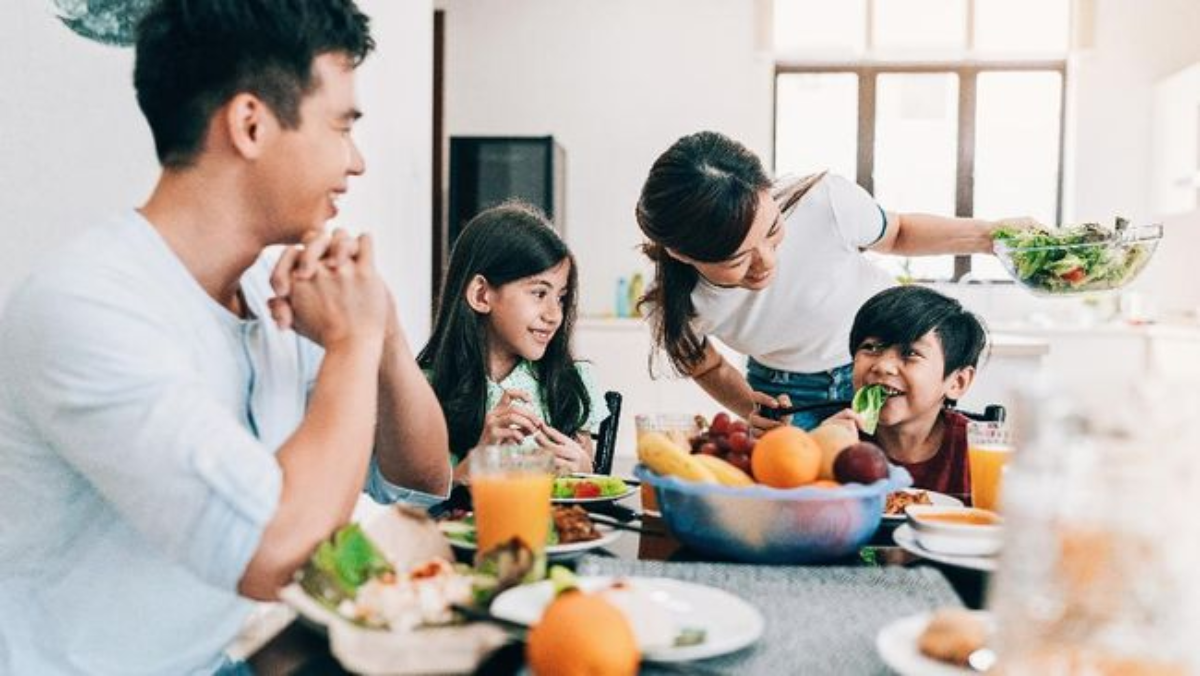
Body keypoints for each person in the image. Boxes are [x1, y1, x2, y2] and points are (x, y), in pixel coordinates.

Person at [0, 1, 450, 673]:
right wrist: (351, 347)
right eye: (341, 126)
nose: (355, 162)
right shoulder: (87, 306)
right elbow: (275, 552)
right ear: (249, 124)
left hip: (247, 654)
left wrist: (378, 328)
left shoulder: (281, 281)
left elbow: (421, 479)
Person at [636, 130, 1017, 432]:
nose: (766, 263)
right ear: (682, 254)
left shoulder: (823, 202)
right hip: (786, 393)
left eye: (772, 231)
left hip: (887, 365)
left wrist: (992, 237)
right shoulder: (673, 306)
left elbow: (898, 233)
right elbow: (708, 367)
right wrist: (751, 406)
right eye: (737, 257)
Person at [419, 202, 605, 483]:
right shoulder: (423, 391)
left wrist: (584, 470)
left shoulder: (570, 383)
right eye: (539, 293)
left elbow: (589, 496)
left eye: (561, 297)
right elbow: (414, 506)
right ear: (482, 295)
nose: (555, 315)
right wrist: (476, 463)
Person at [826, 286, 988, 503]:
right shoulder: (836, 438)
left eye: (910, 353)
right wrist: (819, 454)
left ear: (957, 382)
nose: (883, 366)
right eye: (871, 347)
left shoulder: (977, 451)